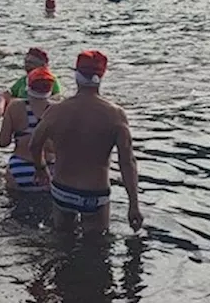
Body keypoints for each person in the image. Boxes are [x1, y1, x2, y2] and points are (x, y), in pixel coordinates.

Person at [29, 51, 142, 234]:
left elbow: (34, 144)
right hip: (95, 193)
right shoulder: (115, 115)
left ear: (76, 75)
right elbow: (127, 162)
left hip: (63, 189)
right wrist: (134, 205)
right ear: (102, 76)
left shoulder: (57, 111)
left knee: (61, 242)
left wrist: (40, 167)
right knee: (96, 250)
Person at [0, 67, 57, 192]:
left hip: (19, 167)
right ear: (50, 89)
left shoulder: (14, 107)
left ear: (28, 86)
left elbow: (3, 142)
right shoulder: (57, 110)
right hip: (50, 170)